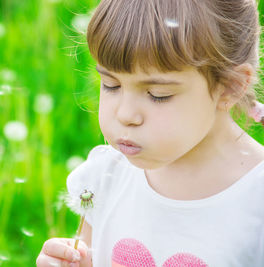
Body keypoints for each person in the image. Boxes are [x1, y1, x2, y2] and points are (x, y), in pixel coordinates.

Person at [37, 0, 264, 266]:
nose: (125, 114)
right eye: (111, 85)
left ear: (229, 88)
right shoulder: (108, 175)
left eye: (157, 95)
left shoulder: (255, 199)